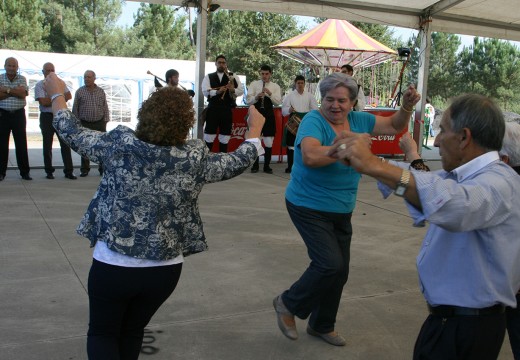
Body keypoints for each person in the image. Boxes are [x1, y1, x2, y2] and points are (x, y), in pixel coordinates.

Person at [44, 71, 265, 360]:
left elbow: (70, 131)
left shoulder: (120, 146)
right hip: (164, 270)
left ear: (144, 114)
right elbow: (235, 162)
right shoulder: (193, 157)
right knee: (133, 331)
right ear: (187, 122)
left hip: (114, 265)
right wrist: (254, 133)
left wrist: (57, 94)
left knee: (103, 333)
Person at [330, 94, 520, 359]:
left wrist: (373, 163)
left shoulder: (499, 181)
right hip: (451, 323)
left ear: (464, 137)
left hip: (467, 329)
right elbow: (424, 183)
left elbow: (456, 205)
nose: (438, 140)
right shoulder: (465, 176)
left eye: (443, 130)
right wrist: (367, 162)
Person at [273, 72, 420, 346]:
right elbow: (310, 155)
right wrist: (345, 146)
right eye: (329, 99)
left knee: (339, 272)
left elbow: (393, 125)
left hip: (341, 207)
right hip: (307, 204)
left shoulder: (360, 120)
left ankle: (321, 325)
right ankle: (287, 303)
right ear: (321, 100)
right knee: (329, 263)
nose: (335, 105)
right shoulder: (313, 121)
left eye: (341, 100)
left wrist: (407, 106)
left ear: (352, 102)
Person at [34, 62, 77, 180]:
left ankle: (69, 170)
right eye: (47, 70)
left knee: (65, 143)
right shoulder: (39, 85)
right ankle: (49, 171)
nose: (49, 72)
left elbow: (69, 96)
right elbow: (43, 102)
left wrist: (53, 98)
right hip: (46, 117)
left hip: (60, 115)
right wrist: (58, 97)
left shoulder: (60, 83)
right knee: (47, 145)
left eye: (51, 70)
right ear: (43, 72)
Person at [201, 55, 243, 153]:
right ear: (215, 64)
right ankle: (206, 162)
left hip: (226, 109)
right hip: (213, 109)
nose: (221, 64)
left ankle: (223, 161)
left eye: (223, 63)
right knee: (209, 135)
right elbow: (205, 91)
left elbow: (240, 91)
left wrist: (232, 89)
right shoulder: (209, 76)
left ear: (226, 64)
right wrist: (217, 92)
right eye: (219, 62)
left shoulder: (233, 76)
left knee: (225, 136)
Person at [72, 70, 110, 177]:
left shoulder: (101, 91)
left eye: (89, 77)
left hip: (99, 122)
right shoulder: (80, 91)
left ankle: (102, 169)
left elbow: (105, 106)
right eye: (85, 77)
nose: (86, 79)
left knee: (102, 146)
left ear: (94, 78)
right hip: (85, 123)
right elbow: (75, 108)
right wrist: (76, 123)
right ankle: (84, 169)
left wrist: (106, 120)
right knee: (84, 146)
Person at [246, 65, 282, 174]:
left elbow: (278, 102)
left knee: (268, 141)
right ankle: (255, 165)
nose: (264, 76)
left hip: (269, 115)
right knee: (256, 141)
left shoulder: (275, 86)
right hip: (256, 114)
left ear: (270, 74)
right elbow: (248, 100)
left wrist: (269, 94)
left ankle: (267, 166)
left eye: (267, 74)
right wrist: (256, 97)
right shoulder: (254, 84)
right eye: (262, 74)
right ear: (260, 73)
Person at [0, 57, 31, 181]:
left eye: (14, 66)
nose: (12, 68)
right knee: (1, 144)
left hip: (18, 115)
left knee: (21, 144)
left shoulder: (22, 78)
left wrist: (6, 90)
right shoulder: (0, 78)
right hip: (3, 115)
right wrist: (15, 91)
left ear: (17, 67)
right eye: (9, 65)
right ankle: (1, 172)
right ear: (5, 66)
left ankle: (25, 172)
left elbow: (22, 94)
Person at [281, 75, 318, 173]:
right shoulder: (290, 95)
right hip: (293, 120)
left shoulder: (310, 96)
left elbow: (315, 109)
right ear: (295, 83)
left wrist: (310, 115)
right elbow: (283, 111)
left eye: (302, 83)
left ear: (304, 84)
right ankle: (290, 166)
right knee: (291, 145)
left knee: (305, 144)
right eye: (298, 83)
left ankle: (303, 166)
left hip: (305, 121)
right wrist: (289, 109)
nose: (300, 85)